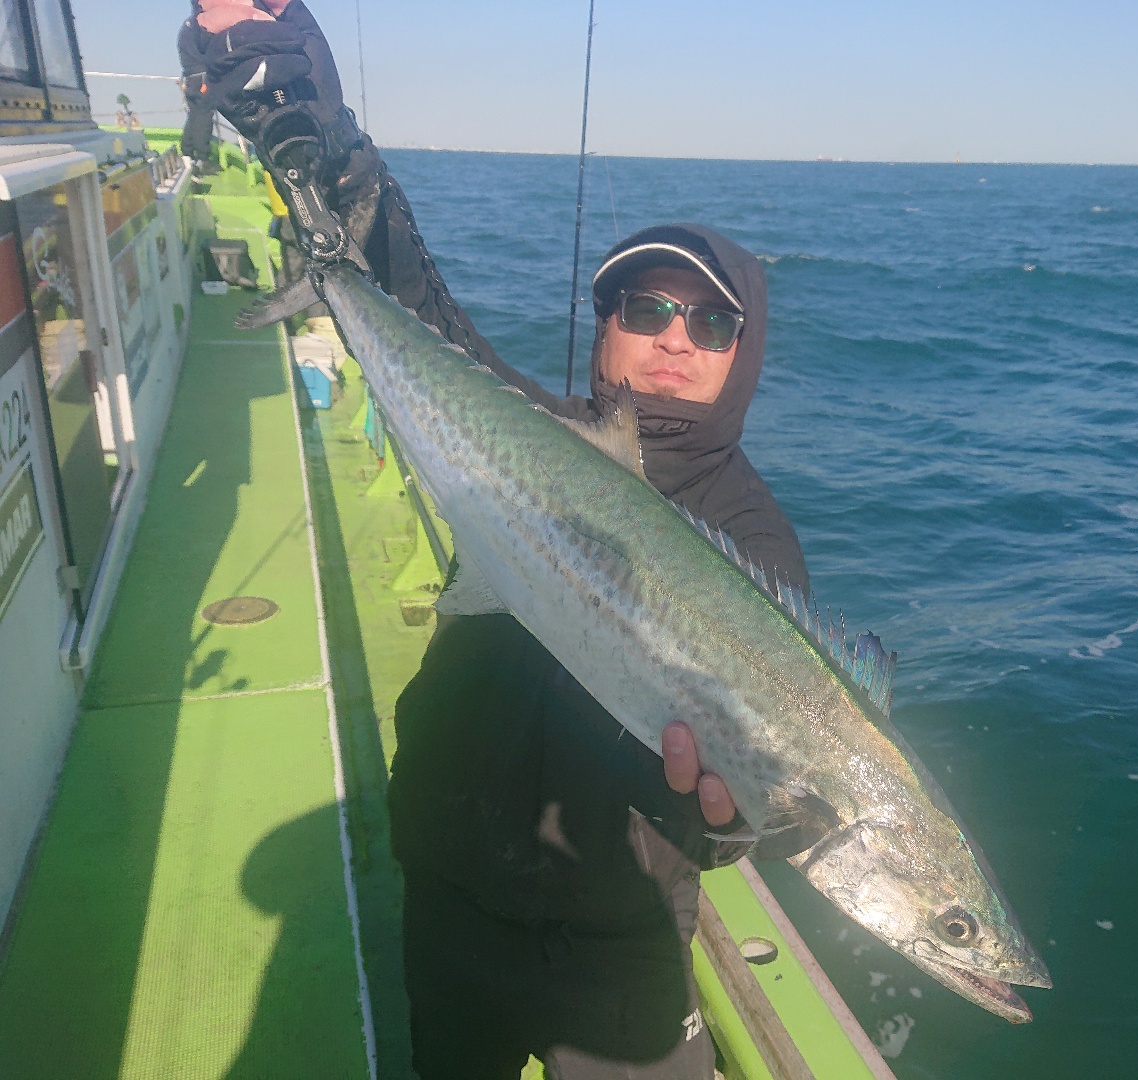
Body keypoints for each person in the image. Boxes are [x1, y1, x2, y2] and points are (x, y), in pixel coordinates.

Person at [196, 5, 809, 1077]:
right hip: (450, 901)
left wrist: (727, 821)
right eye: (647, 307)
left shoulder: (756, 546)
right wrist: (289, 76)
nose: (674, 338)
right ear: (603, 323)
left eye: (710, 324)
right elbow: (415, 300)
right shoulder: (521, 430)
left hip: (619, 957)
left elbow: (749, 791)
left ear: (742, 354)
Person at [176, 5, 217, 171]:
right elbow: (212, 49)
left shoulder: (188, 25)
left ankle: (187, 151)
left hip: (190, 76)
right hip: (202, 77)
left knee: (195, 114)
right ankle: (203, 158)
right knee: (204, 115)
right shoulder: (201, 25)